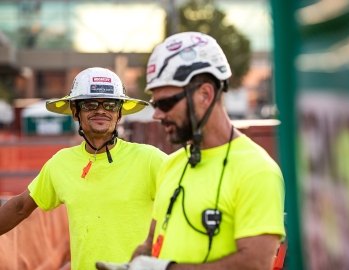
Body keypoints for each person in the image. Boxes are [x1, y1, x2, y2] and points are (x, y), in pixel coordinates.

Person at [96, 32, 285, 270]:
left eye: (165, 103)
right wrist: (132, 265)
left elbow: (255, 264)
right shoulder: (172, 165)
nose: (157, 114)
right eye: (155, 105)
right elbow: (151, 243)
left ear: (205, 94)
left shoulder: (256, 170)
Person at [0, 67, 168, 270]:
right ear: (75, 111)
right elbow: (20, 207)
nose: (101, 110)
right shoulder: (61, 163)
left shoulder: (149, 159)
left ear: (120, 112)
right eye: (90, 104)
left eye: (110, 105)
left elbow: (186, 203)